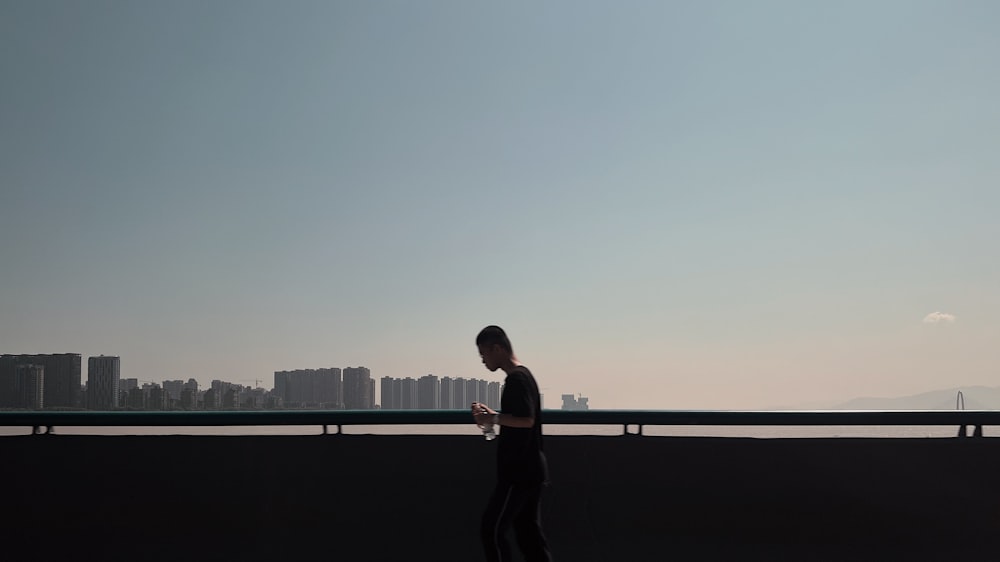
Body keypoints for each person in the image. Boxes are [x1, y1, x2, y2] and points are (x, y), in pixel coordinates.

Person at [472, 325, 553, 562]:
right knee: (529, 536)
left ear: (497, 348)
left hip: (519, 474)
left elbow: (526, 420)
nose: (483, 360)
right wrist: (495, 416)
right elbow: (520, 417)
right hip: (531, 470)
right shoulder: (523, 376)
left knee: (493, 531)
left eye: (483, 354)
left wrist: (493, 418)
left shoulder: (517, 380)